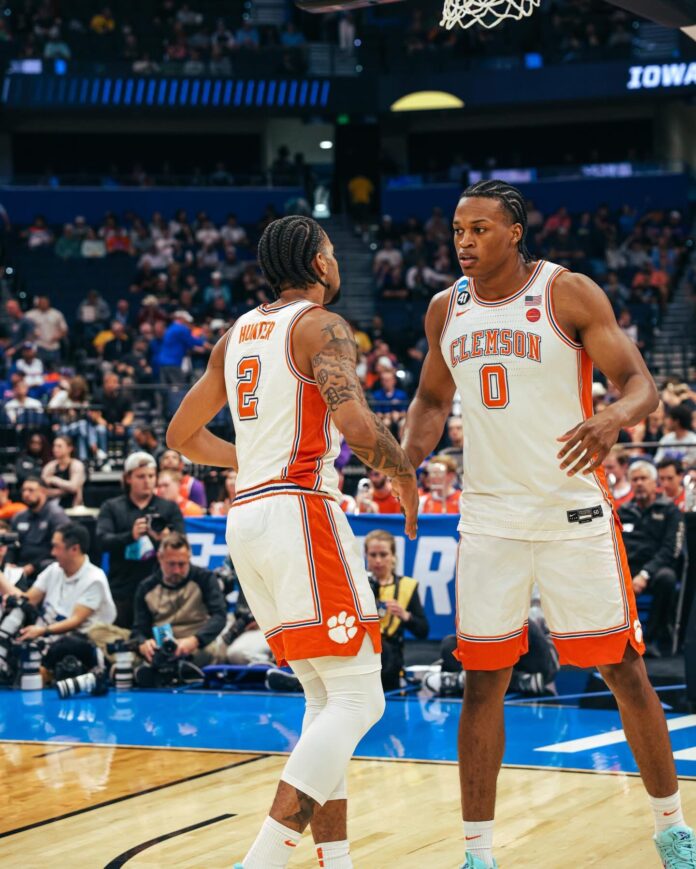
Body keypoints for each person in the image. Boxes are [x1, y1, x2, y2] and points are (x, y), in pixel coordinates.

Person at [400, 180, 694, 868]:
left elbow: (641, 386)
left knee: (623, 669)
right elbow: (431, 400)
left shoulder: (568, 292)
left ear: (514, 232)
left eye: (479, 229)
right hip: (490, 517)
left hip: (572, 512)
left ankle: (672, 830)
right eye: (457, 231)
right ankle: (478, 853)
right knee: (483, 681)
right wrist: (408, 458)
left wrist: (614, 416)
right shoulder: (446, 308)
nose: (464, 242)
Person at [166, 215, 418, 869]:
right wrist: (403, 472)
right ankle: (261, 862)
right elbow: (355, 425)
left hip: (248, 516)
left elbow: (180, 436)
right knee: (362, 696)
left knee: (325, 697)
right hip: (301, 510)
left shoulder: (236, 334)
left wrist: (250, 457)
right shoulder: (321, 326)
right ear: (318, 263)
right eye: (331, 252)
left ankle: (337, 861)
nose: (336, 262)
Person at [0, 523, 116, 679]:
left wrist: (42, 631)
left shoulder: (95, 578)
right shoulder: (54, 570)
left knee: (67, 644)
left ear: (74, 549)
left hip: (78, 643)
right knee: (18, 610)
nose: (52, 552)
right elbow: (27, 600)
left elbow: (75, 621)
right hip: (44, 637)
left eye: (56, 547)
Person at [95, 452, 185, 629]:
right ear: (128, 478)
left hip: (160, 587)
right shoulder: (112, 507)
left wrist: (167, 539)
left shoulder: (168, 507)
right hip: (122, 587)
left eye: (151, 476)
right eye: (141, 476)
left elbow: (183, 543)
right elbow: (101, 541)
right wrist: (131, 536)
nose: (147, 481)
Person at [130, 532, 227, 686]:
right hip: (160, 645)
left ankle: (157, 671)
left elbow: (220, 616)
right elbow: (138, 629)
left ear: (189, 558)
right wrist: (143, 644)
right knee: (108, 637)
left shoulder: (204, 578)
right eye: (171, 564)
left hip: (194, 642)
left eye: (182, 564)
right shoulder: (146, 587)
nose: (176, 570)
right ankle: (167, 669)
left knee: (212, 652)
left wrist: (196, 640)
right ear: (160, 558)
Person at [619, 461, 684, 656]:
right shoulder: (623, 512)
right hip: (628, 567)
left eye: (643, 478)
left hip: (655, 568)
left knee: (667, 578)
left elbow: (670, 549)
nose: (639, 483)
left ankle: (652, 638)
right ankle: (619, 639)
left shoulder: (670, 510)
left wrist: (645, 574)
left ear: (655, 483)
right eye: (635, 479)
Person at [364, 529, 429, 691]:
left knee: (383, 651)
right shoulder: (357, 585)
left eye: (383, 554)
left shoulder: (407, 586)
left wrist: (405, 615)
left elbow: (423, 631)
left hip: (389, 657)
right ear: (366, 556)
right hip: (361, 650)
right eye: (373, 555)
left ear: (393, 556)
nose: (378, 560)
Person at [10, 477, 68, 590]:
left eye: (31, 490)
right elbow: (11, 546)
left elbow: (59, 547)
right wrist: (8, 562)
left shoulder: (56, 516)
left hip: (43, 566)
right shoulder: (19, 517)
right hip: (19, 569)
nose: (26, 494)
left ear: (43, 491)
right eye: (23, 490)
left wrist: (33, 566)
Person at [41, 435, 86, 509]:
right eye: (54, 446)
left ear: (69, 448)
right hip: (52, 506)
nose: (55, 449)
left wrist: (53, 479)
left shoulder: (76, 465)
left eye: (59, 446)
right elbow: (43, 490)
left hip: (73, 506)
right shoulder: (50, 466)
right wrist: (64, 491)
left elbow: (73, 487)